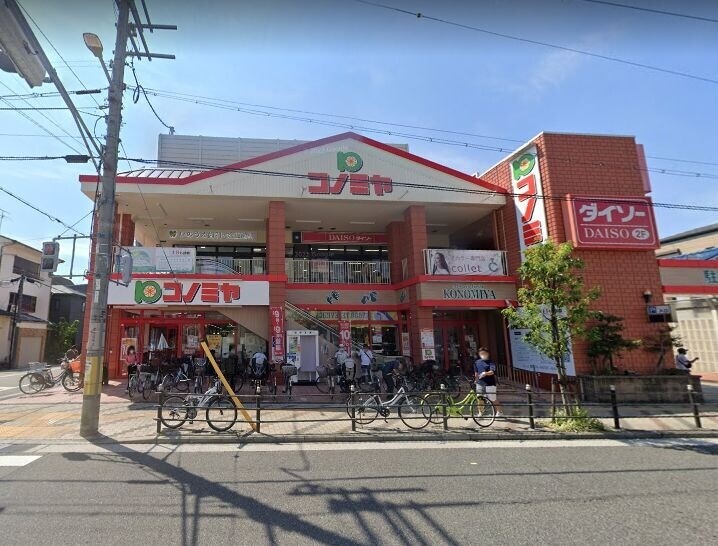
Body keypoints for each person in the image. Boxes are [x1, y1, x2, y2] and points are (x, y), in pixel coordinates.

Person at [474, 347, 503, 417]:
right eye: (481, 353)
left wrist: (485, 373)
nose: (482, 354)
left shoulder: (491, 362)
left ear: (487, 354)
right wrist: (476, 380)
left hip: (490, 383)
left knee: (492, 398)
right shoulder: (477, 362)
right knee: (480, 398)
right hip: (480, 383)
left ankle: (499, 411)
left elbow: (492, 372)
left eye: (484, 353)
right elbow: (476, 372)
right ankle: (480, 412)